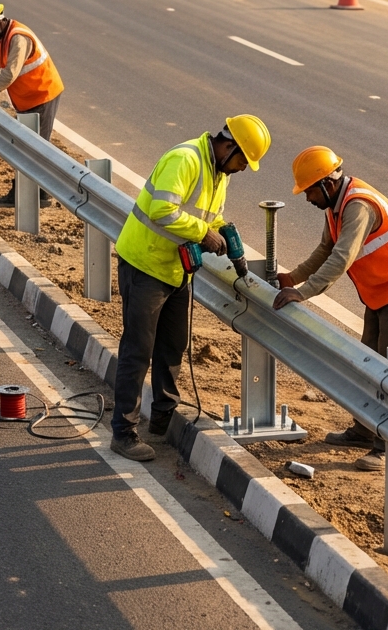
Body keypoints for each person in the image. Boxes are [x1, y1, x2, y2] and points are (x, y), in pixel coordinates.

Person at [110, 116, 271, 462]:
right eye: (243, 160)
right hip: (145, 264)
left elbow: (208, 216)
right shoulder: (185, 159)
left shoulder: (219, 173)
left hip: (175, 270)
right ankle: (123, 432)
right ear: (228, 147)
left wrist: (221, 233)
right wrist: (202, 232)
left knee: (173, 345)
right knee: (138, 349)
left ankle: (163, 418)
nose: (243, 169)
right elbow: (161, 210)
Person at [273, 146, 388, 472]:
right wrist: (294, 276)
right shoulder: (336, 206)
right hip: (380, 292)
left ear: (327, 184)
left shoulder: (357, 207)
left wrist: (303, 292)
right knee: (368, 360)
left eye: (308, 192)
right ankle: (364, 430)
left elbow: (340, 259)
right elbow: (325, 248)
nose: (306, 199)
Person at [0, 0, 64, 206]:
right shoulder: (2, 38)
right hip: (28, 99)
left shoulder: (18, 39)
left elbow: (8, 75)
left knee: (34, 148)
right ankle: (42, 193)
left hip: (42, 95)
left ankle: (27, 195)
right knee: (30, 146)